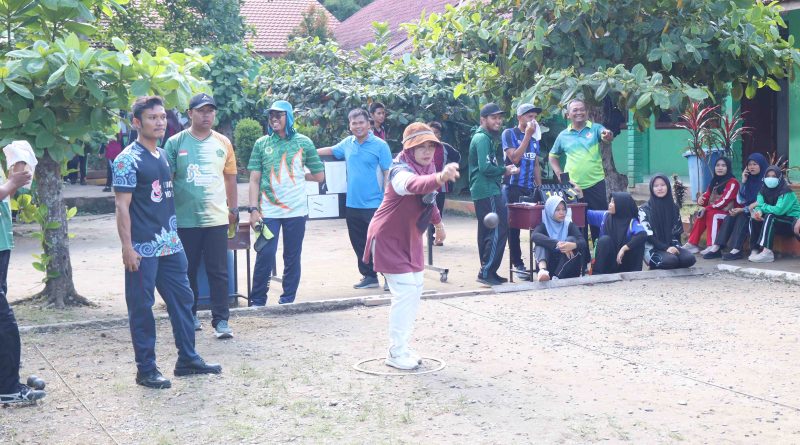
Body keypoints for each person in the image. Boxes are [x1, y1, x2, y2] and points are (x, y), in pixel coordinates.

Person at [113, 96, 222, 389]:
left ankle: (187, 359)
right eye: (152, 117)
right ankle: (146, 369)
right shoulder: (127, 159)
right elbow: (122, 207)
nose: (159, 122)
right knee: (141, 307)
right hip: (143, 248)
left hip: (171, 244)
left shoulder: (162, 155)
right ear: (137, 122)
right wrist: (127, 247)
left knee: (184, 301)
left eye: (162, 117)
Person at [362, 123, 459, 370]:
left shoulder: (429, 167)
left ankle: (402, 346)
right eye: (420, 147)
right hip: (388, 237)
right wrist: (439, 178)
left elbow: (430, 198)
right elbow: (414, 185)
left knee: (415, 289)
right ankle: (395, 353)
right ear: (408, 149)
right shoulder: (398, 171)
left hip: (411, 236)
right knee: (405, 293)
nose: (427, 152)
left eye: (431, 146)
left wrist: (439, 224)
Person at [164, 93, 238, 338]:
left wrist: (233, 209)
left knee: (219, 271)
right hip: (184, 220)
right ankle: (191, 315)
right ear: (190, 114)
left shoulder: (223, 142)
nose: (207, 115)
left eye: (210, 111)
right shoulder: (175, 143)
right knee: (187, 270)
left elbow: (230, 178)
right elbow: (168, 180)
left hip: (216, 219)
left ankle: (221, 321)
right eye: (201, 111)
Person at [247, 100, 325, 305]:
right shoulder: (261, 143)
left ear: (288, 117)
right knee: (265, 253)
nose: (274, 119)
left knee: (292, 256)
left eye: (279, 115)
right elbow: (254, 179)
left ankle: (287, 299)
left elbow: (319, 176)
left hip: (296, 211)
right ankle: (257, 301)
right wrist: (253, 209)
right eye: (271, 115)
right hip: (268, 211)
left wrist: (299, 175)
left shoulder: (304, 142)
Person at [317, 108, 392, 289]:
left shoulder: (380, 145)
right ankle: (369, 276)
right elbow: (331, 150)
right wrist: (305, 151)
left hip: (375, 203)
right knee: (358, 242)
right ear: (349, 126)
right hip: (352, 204)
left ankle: (390, 278)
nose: (358, 126)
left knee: (380, 243)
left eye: (361, 122)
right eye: (354, 123)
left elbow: (387, 172)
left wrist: (387, 201)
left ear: (369, 123)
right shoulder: (347, 143)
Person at [0, 150, 44, 405]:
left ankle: (6, 380)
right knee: (5, 323)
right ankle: (7, 387)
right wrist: (11, 183)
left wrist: (12, 184)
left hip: (2, 245)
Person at [549, 99, 615, 242]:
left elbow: (606, 135)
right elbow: (552, 157)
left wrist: (608, 135)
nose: (579, 112)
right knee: (577, 225)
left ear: (586, 112)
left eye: (581, 109)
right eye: (575, 110)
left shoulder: (595, 128)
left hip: (595, 184)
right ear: (568, 115)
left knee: (599, 224)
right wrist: (559, 174)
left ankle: (599, 260)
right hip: (572, 187)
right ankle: (581, 261)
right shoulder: (563, 136)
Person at [469, 103, 518, 286]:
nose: (498, 121)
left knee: (487, 231)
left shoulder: (485, 138)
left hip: (483, 189)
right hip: (487, 189)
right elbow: (485, 167)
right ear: (483, 120)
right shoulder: (482, 139)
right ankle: (486, 271)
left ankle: (488, 270)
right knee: (498, 228)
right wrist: (505, 170)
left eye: (499, 117)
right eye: (493, 118)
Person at [702, 153, 769, 260]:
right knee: (731, 216)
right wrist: (744, 181)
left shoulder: (766, 181)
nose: (751, 167)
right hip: (748, 210)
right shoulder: (750, 180)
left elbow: (761, 202)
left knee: (743, 217)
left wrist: (743, 209)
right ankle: (717, 247)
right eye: (749, 164)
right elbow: (741, 199)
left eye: (755, 164)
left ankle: (736, 250)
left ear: (761, 165)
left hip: (762, 211)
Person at [502, 103, 543, 276]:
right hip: (513, 187)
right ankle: (517, 264)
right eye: (528, 116)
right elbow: (514, 158)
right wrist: (527, 136)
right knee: (514, 228)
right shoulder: (509, 134)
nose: (532, 120)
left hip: (529, 188)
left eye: (534, 116)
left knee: (537, 226)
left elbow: (535, 164)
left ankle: (541, 262)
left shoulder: (534, 139)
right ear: (519, 118)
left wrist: (539, 187)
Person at [682, 157, 740, 254]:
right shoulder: (714, 181)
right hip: (715, 211)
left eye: (723, 165)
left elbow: (724, 201)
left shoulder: (733, 182)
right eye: (717, 165)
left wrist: (706, 208)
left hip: (730, 214)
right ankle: (692, 243)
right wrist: (701, 200)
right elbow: (707, 195)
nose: (720, 168)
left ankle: (712, 245)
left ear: (728, 168)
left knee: (711, 214)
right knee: (703, 213)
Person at [638, 174, 696, 269]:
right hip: (653, 248)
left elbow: (676, 233)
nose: (660, 188)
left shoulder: (674, 208)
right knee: (671, 261)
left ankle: (671, 259)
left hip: (671, 245)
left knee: (690, 259)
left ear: (668, 187)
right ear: (652, 189)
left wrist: (675, 247)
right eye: (656, 186)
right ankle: (655, 262)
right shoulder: (644, 209)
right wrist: (666, 248)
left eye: (663, 185)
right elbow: (649, 236)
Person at [748, 166, 800, 263]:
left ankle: (767, 252)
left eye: (774, 176)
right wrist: (758, 212)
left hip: (791, 222)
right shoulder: (762, 190)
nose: (770, 178)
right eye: (768, 176)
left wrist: (761, 207)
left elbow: (778, 210)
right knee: (753, 218)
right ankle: (754, 250)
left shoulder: (786, 191)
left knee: (770, 216)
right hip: (776, 221)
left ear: (780, 178)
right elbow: (759, 206)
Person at [588, 192, 646, 274]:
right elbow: (583, 213)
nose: (610, 204)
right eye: (610, 201)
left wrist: (624, 248)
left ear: (622, 205)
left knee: (638, 243)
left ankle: (635, 275)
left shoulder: (632, 222)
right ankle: (597, 274)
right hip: (609, 263)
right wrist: (580, 197)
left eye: (614, 202)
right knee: (604, 240)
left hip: (624, 264)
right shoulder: (604, 216)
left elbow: (642, 234)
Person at [531, 196, 585, 281]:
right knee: (540, 244)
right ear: (550, 211)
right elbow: (534, 236)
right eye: (557, 210)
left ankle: (557, 277)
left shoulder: (569, 224)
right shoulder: (544, 225)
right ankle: (543, 271)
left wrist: (572, 245)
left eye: (564, 209)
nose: (562, 213)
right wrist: (557, 243)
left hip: (567, 269)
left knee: (571, 239)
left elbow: (582, 242)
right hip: (549, 269)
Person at [426, 121, 461, 246]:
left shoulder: (445, 147)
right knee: (424, 210)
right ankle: (424, 235)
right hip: (425, 185)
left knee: (438, 211)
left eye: (436, 132)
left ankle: (435, 236)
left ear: (440, 135)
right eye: (431, 132)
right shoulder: (422, 147)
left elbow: (457, 157)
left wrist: (449, 168)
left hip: (440, 186)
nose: (434, 134)